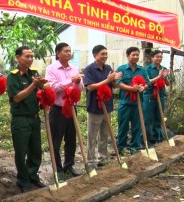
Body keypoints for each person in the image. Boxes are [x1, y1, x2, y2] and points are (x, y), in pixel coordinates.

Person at [7, 46, 47, 193]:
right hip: (21, 120)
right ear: (18, 58)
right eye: (27, 56)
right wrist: (33, 85)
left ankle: (33, 175)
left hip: (35, 118)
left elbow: (40, 90)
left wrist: (43, 86)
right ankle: (23, 180)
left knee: (36, 150)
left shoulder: (34, 73)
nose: (30, 59)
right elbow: (16, 98)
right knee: (21, 151)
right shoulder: (13, 76)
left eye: (32, 56)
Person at [45, 42, 84, 181]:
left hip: (72, 108)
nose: (69, 53)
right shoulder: (51, 68)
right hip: (58, 109)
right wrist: (70, 81)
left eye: (70, 51)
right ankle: (58, 169)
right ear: (58, 53)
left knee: (71, 138)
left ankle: (69, 165)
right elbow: (53, 87)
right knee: (56, 140)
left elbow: (80, 88)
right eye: (66, 51)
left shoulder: (74, 68)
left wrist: (78, 82)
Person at [83, 45, 122, 168]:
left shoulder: (108, 68)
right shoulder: (89, 69)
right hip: (95, 107)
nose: (105, 56)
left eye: (106, 53)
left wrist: (115, 80)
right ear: (95, 55)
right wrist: (107, 79)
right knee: (92, 135)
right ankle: (91, 160)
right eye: (102, 54)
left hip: (108, 106)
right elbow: (90, 87)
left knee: (105, 134)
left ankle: (102, 157)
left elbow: (113, 85)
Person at [116, 47, 150, 154]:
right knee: (123, 126)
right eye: (133, 55)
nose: (135, 57)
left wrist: (143, 88)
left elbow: (148, 83)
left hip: (138, 103)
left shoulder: (142, 70)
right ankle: (121, 147)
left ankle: (135, 146)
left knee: (137, 126)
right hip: (125, 103)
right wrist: (132, 89)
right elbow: (118, 83)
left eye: (137, 55)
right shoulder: (121, 69)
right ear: (127, 56)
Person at [143, 50, 170, 145]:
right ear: (152, 58)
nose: (159, 58)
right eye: (157, 57)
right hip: (149, 96)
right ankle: (145, 139)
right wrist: (158, 77)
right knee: (147, 117)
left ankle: (156, 138)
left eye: (160, 57)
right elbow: (146, 82)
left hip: (161, 96)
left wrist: (165, 77)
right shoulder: (146, 69)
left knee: (159, 117)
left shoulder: (164, 68)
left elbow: (168, 83)